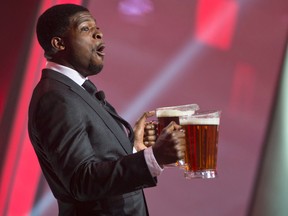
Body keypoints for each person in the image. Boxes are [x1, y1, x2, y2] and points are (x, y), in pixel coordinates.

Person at [28, 3, 185, 216]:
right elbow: (81, 180)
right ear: (58, 43)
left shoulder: (74, 91)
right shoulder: (56, 98)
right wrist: (152, 158)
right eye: (86, 28)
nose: (99, 33)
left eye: (97, 27)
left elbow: (99, 166)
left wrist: (134, 152)